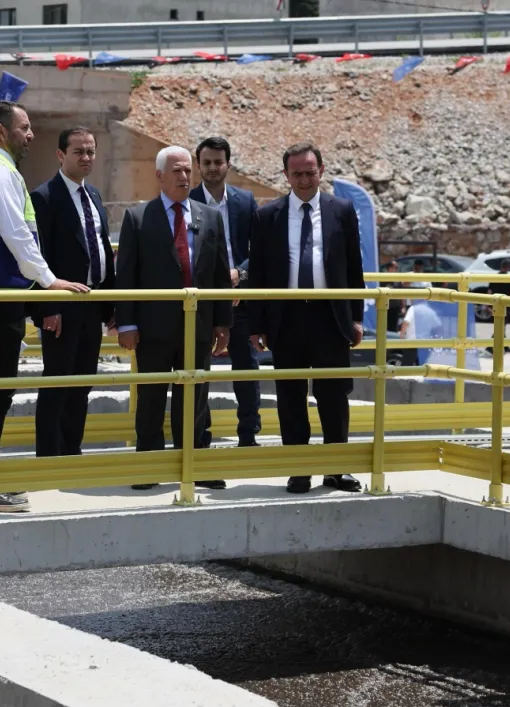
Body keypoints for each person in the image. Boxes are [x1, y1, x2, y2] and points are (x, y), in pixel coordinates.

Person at [0, 101, 89, 513]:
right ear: (1, 131)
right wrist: (49, 280)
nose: (31, 135)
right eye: (24, 127)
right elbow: (16, 232)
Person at [248, 142, 365, 494]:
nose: (304, 179)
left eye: (310, 172)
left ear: (321, 171)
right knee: (290, 396)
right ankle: (299, 469)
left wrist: (356, 318)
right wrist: (256, 325)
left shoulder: (341, 210)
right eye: (296, 173)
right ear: (286, 175)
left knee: (334, 395)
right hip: (286, 317)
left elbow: (354, 268)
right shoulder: (267, 216)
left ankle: (336, 469)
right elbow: (259, 274)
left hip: (331, 316)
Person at [116, 146, 232, 491]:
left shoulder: (210, 217)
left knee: (194, 398)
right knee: (151, 398)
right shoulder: (138, 218)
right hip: (153, 327)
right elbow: (127, 274)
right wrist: (127, 323)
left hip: (198, 326)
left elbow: (219, 274)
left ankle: (193, 464)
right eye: (177, 171)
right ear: (159, 176)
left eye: (187, 171)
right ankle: (148, 466)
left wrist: (222, 322)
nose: (184, 177)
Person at [29, 127, 115, 458]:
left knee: (82, 383)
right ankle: (49, 456)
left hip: (93, 303)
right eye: (79, 151)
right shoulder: (44, 197)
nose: (86, 157)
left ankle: (71, 451)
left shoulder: (93, 195)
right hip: (61, 307)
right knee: (57, 382)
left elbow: (102, 248)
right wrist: (48, 307)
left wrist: (111, 306)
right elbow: (40, 256)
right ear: (60, 155)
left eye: (91, 151)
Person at [190, 136, 262, 448]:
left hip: (241, 297)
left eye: (218, 162)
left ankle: (248, 434)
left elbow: (260, 249)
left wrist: (240, 274)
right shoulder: (187, 200)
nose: (212, 168)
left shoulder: (245, 201)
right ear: (198, 165)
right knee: (198, 369)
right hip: (203, 301)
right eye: (206, 162)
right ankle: (200, 435)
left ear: (228, 164)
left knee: (246, 367)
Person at [486, 258, 510, 354]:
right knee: (501, 327)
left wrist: (488, 305)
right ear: (509, 267)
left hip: (495, 305)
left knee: (500, 326)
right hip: (505, 306)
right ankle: (490, 347)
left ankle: (505, 346)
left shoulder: (495, 278)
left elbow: (489, 292)